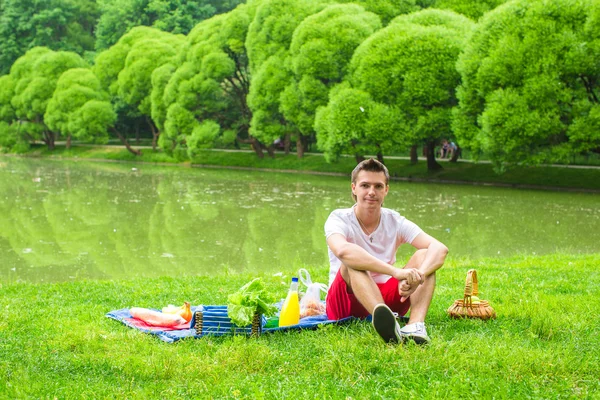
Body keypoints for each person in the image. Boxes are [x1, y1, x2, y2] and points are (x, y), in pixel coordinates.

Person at [324, 158, 448, 344]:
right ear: (354, 188)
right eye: (365, 185)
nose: (371, 192)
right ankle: (383, 321)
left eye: (378, 186)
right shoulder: (338, 218)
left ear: (386, 190)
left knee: (424, 255)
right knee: (351, 262)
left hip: (388, 296)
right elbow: (342, 251)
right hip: (345, 302)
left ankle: (415, 326)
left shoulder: (395, 221)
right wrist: (395, 272)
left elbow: (439, 248)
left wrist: (418, 276)